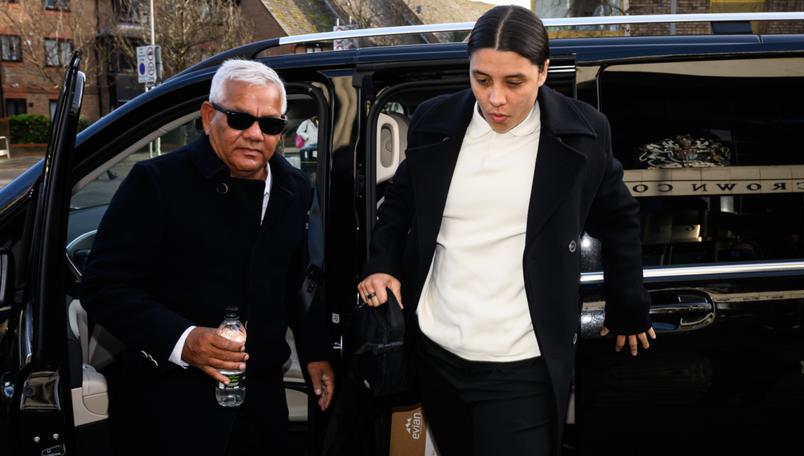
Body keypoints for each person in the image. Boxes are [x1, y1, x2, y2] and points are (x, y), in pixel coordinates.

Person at [357, 6, 655, 456]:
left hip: (523, 364)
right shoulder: (433, 121)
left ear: (542, 72)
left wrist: (627, 304)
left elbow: (620, 219)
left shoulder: (583, 134)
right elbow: (399, 206)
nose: (495, 98)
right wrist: (381, 265)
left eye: (513, 82)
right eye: (481, 79)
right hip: (438, 352)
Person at [81, 59, 334, 456]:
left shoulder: (294, 188)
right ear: (208, 115)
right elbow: (103, 287)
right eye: (239, 119)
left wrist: (315, 352)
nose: (255, 135)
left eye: (270, 125)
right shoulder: (156, 183)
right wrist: (184, 340)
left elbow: (298, 280)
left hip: (261, 402)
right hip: (170, 405)